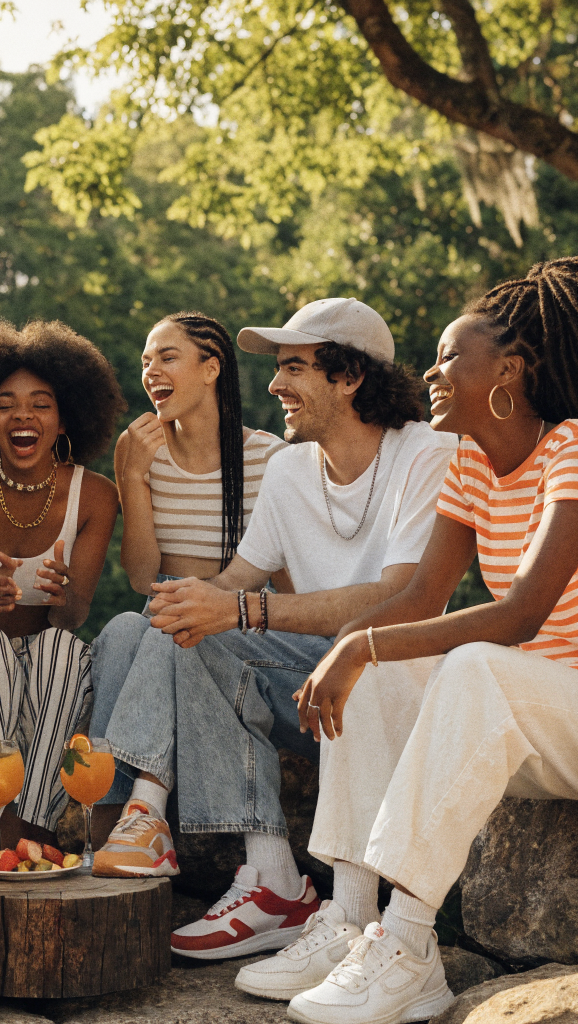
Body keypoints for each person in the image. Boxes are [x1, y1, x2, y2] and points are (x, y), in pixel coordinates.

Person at [242, 261, 578, 1024]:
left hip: (568, 710)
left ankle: (410, 944)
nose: (429, 370)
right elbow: (422, 599)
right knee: (386, 665)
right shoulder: (469, 465)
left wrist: (358, 644)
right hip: (533, 721)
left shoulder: (570, 450)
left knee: (460, 661)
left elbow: (522, 615)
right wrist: (359, 650)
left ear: (510, 372)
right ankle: (352, 917)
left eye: (451, 355)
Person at [93, 298, 459, 966]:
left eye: (293, 367)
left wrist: (239, 611)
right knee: (168, 623)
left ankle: (156, 820)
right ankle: (265, 873)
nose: (272, 385)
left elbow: (401, 597)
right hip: (306, 691)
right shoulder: (291, 468)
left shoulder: (427, 453)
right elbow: (235, 583)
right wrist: (186, 605)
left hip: (392, 687)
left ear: (349, 377)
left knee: (212, 626)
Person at [88, 311, 286, 848]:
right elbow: (140, 576)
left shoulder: (270, 457)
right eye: (146, 361)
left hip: (240, 615)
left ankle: (140, 815)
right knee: (125, 629)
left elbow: (286, 582)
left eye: (167, 357)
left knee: (157, 625)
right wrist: (129, 475)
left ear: (211, 368)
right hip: (165, 608)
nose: (151, 371)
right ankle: (109, 828)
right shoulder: (142, 455)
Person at [0, 319, 125, 847]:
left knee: (62, 647)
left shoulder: (97, 495)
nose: (23, 415)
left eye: (41, 404)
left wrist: (62, 599)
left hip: (47, 655)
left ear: (64, 421)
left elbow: (73, 617)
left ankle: (32, 829)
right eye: (5, 403)